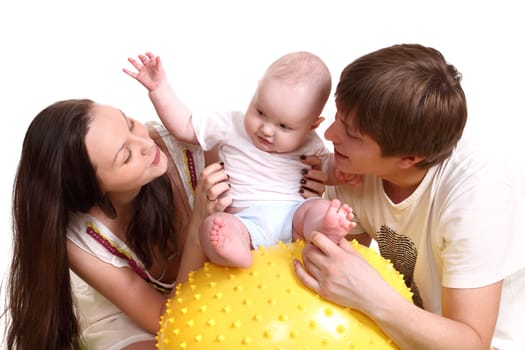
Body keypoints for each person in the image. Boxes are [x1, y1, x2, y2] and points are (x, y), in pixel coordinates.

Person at [293, 44, 525, 349]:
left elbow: (473, 343)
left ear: (409, 158)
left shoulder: (478, 192)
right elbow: (335, 275)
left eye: (352, 134)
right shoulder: (351, 169)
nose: (330, 135)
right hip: (406, 330)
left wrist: (371, 296)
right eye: (337, 117)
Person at [4, 98, 234, 350]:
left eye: (130, 124)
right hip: (135, 310)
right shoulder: (82, 238)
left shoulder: (191, 144)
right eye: (126, 155)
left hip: (217, 281)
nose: (146, 144)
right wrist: (198, 225)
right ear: (95, 189)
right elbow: (165, 318)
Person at [124, 51, 361, 269]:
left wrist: (340, 172)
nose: (266, 130)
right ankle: (235, 251)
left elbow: (326, 168)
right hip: (244, 219)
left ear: (312, 125)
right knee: (214, 226)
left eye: (283, 126)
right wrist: (159, 89)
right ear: (255, 92)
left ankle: (324, 229)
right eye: (260, 112)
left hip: (294, 215)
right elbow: (185, 126)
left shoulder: (310, 142)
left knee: (319, 208)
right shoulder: (230, 125)